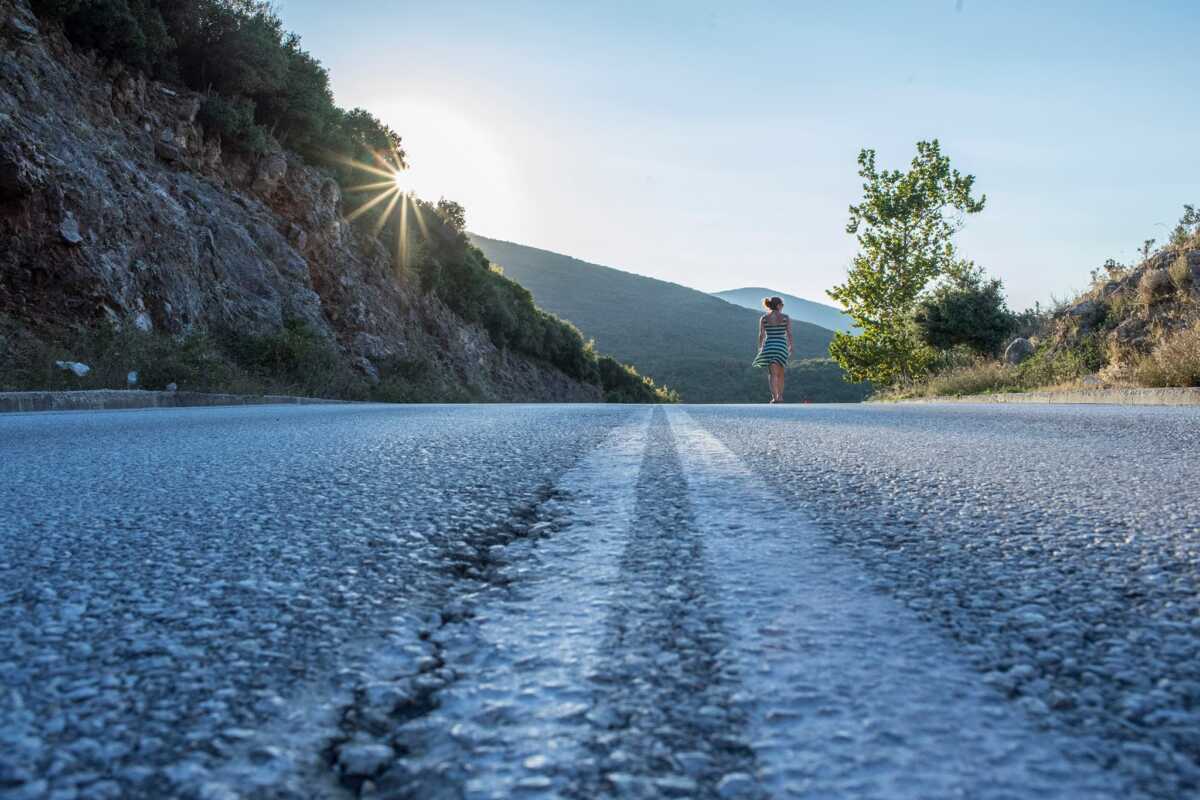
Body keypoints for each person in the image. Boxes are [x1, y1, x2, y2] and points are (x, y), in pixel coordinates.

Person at [752, 296, 793, 403]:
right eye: (782, 305)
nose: (782, 307)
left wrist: (760, 348)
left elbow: (761, 334)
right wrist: (791, 346)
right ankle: (780, 396)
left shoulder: (764, 318)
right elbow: (789, 333)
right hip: (781, 346)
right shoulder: (785, 317)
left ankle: (775, 397)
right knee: (781, 374)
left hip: (769, 346)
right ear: (778, 305)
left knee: (772, 374)